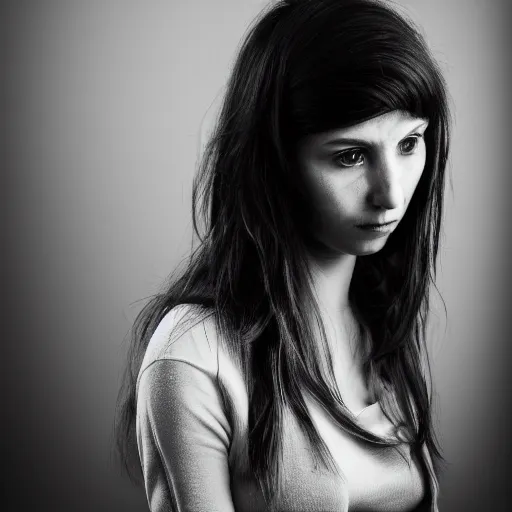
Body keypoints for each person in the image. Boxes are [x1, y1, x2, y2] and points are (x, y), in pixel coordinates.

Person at [115, 0, 451, 510]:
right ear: (275, 162)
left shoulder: (382, 316)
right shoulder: (195, 356)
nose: (392, 193)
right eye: (350, 156)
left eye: (410, 143)